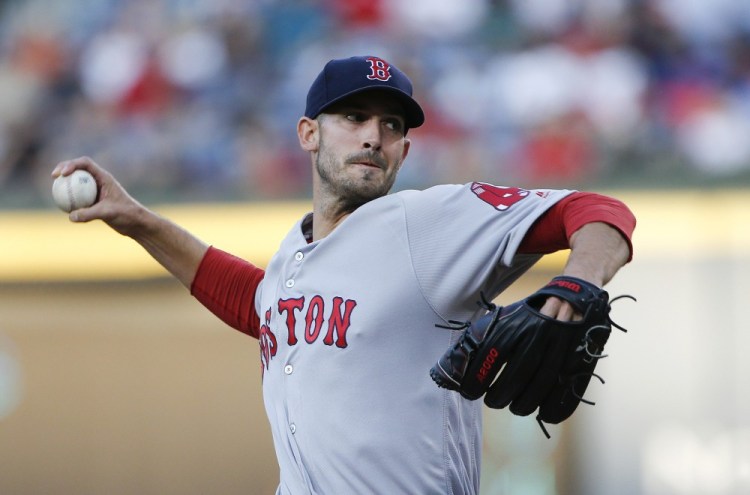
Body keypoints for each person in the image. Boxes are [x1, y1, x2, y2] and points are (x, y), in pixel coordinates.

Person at [52, 55, 636, 494]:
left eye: (390, 126)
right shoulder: (294, 251)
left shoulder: (428, 222)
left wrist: (576, 285)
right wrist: (135, 220)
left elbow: (599, 212)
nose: (372, 137)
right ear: (309, 133)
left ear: (404, 152)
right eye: (354, 116)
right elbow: (259, 303)